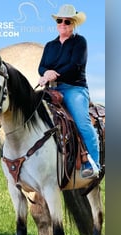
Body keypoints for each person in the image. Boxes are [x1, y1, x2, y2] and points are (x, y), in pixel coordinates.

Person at [38, 4, 100, 179]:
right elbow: (42, 66)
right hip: (52, 89)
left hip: (74, 88)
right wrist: (45, 73)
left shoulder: (80, 42)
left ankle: (93, 164)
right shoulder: (49, 45)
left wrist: (53, 73)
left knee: (82, 123)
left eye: (67, 21)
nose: (63, 24)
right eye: (60, 20)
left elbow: (75, 65)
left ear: (74, 24)